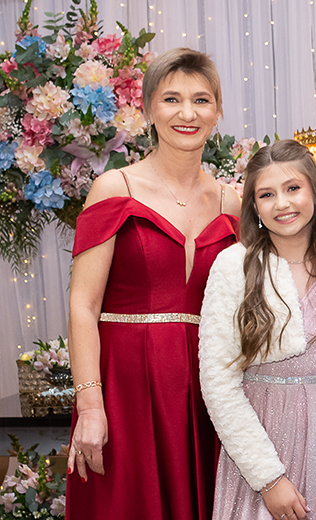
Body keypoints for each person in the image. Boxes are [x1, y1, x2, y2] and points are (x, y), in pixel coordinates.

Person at [65, 48, 241, 520]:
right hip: (125, 388)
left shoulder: (233, 202)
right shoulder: (113, 188)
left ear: (218, 111)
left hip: (208, 388)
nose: (188, 113)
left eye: (201, 100)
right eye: (172, 99)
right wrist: (90, 404)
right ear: (147, 109)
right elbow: (83, 305)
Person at [198, 139, 316, 520]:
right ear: (254, 206)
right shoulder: (233, 266)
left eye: (293, 188)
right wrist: (268, 478)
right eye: (267, 194)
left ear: (315, 192)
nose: (282, 203)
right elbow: (217, 382)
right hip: (264, 435)